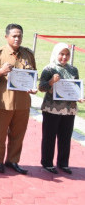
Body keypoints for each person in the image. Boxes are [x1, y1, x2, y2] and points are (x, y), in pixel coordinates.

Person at [0, 23, 36, 175]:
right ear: (6, 37)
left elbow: (33, 74)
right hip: (4, 100)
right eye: (14, 36)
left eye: (19, 36)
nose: (17, 39)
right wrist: (1, 71)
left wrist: (33, 87)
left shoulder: (28, 54)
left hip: (22, 102)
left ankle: (13, 160)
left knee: (18, 134)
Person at [38, 42, 83, 174]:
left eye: (67, 54)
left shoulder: (73, 70)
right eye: (61, 54)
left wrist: (78, 97)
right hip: (52, 109)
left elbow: (75, 88)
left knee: (65, 137)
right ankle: (47, 162)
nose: (64, 57)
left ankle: (63, 163)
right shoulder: (49, 69)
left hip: (69, 109)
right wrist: (51, 82)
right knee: (49, 136)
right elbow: (42, 87)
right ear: (56, 54)